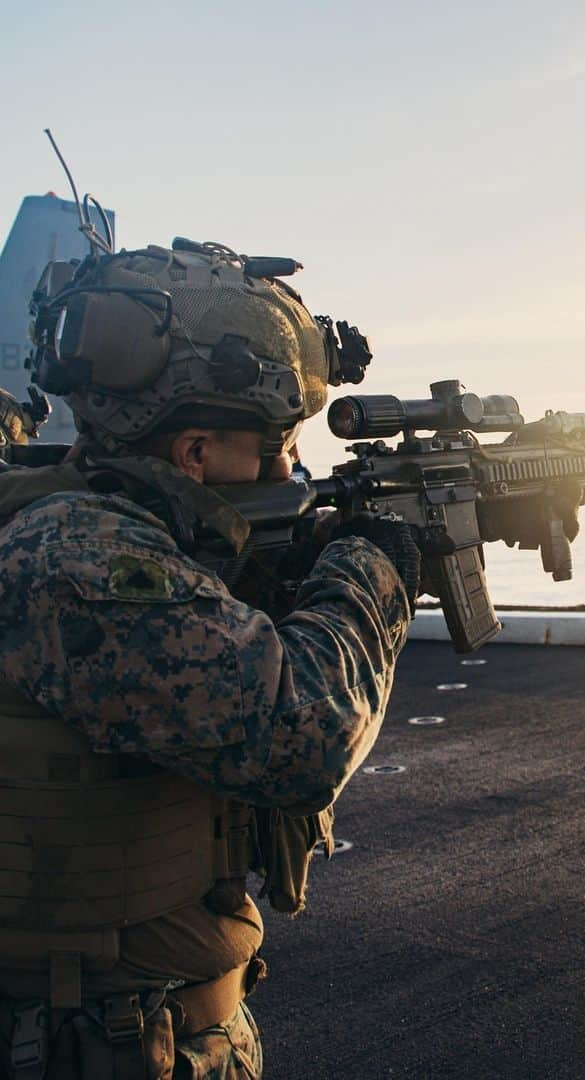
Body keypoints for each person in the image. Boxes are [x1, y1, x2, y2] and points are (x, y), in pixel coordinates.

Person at [0, 240, 418, 1078]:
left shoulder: (98, 523)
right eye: (275, 449)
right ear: (194, 454)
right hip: (95, 1048)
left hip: (135, 1031)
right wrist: (372, 569)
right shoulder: (76, 558)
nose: (290, 470)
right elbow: (301, 733)